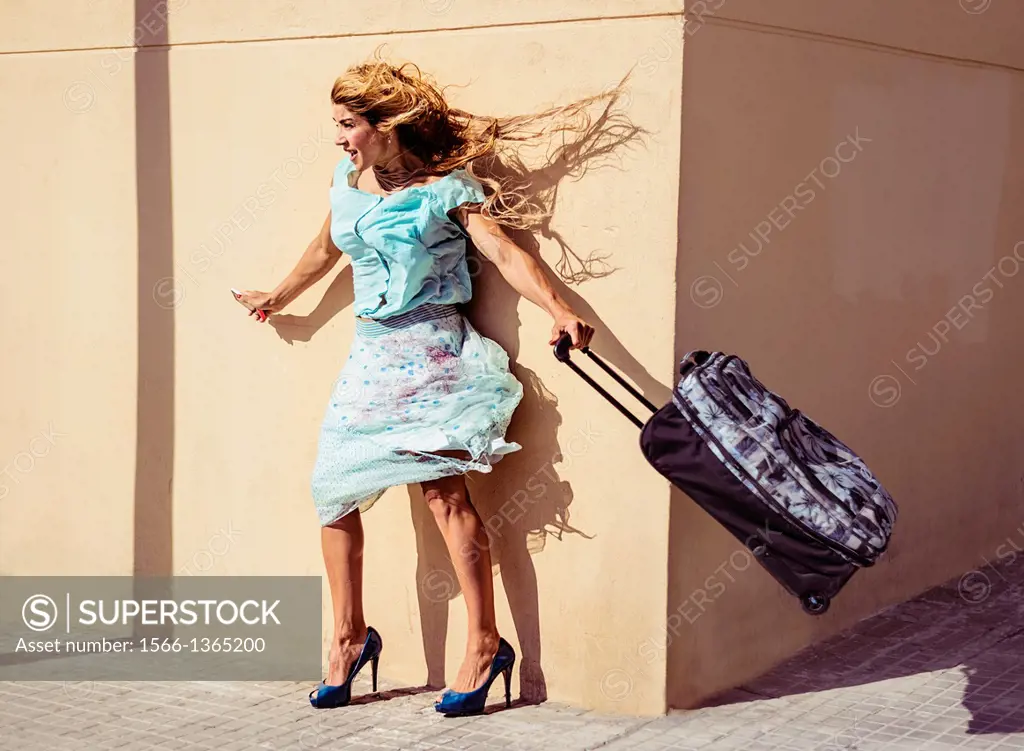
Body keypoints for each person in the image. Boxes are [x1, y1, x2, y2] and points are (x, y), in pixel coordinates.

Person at [235, 56, 603, 716]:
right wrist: (279, 294)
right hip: (369, 359)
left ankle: (486, 643)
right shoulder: (347, 180)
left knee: (444, 497)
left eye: (348, 124)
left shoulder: (446, 189)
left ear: (385, 125)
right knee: (332, 491)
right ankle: (350, 638)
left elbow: (505, 252)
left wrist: (559, 308)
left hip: (433, 351)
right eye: (338, 126)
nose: (341, 138)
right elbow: (328, 248)